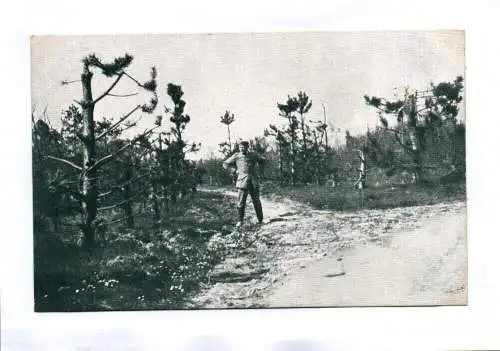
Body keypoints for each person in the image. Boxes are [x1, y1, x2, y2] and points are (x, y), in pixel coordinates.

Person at [222, 140, 263, 227]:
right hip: (242, 181)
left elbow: (262, 161)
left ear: (247, 147)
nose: (242, 149)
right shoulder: (236, 156)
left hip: (254, 181)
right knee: (241, 202)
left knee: (257, 201)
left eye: (243, 147)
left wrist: (260, 171)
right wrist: (234, 170)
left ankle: (260, 220)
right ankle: (240, 221)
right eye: (240, 147)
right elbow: (225, 164)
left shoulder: (253, 155)